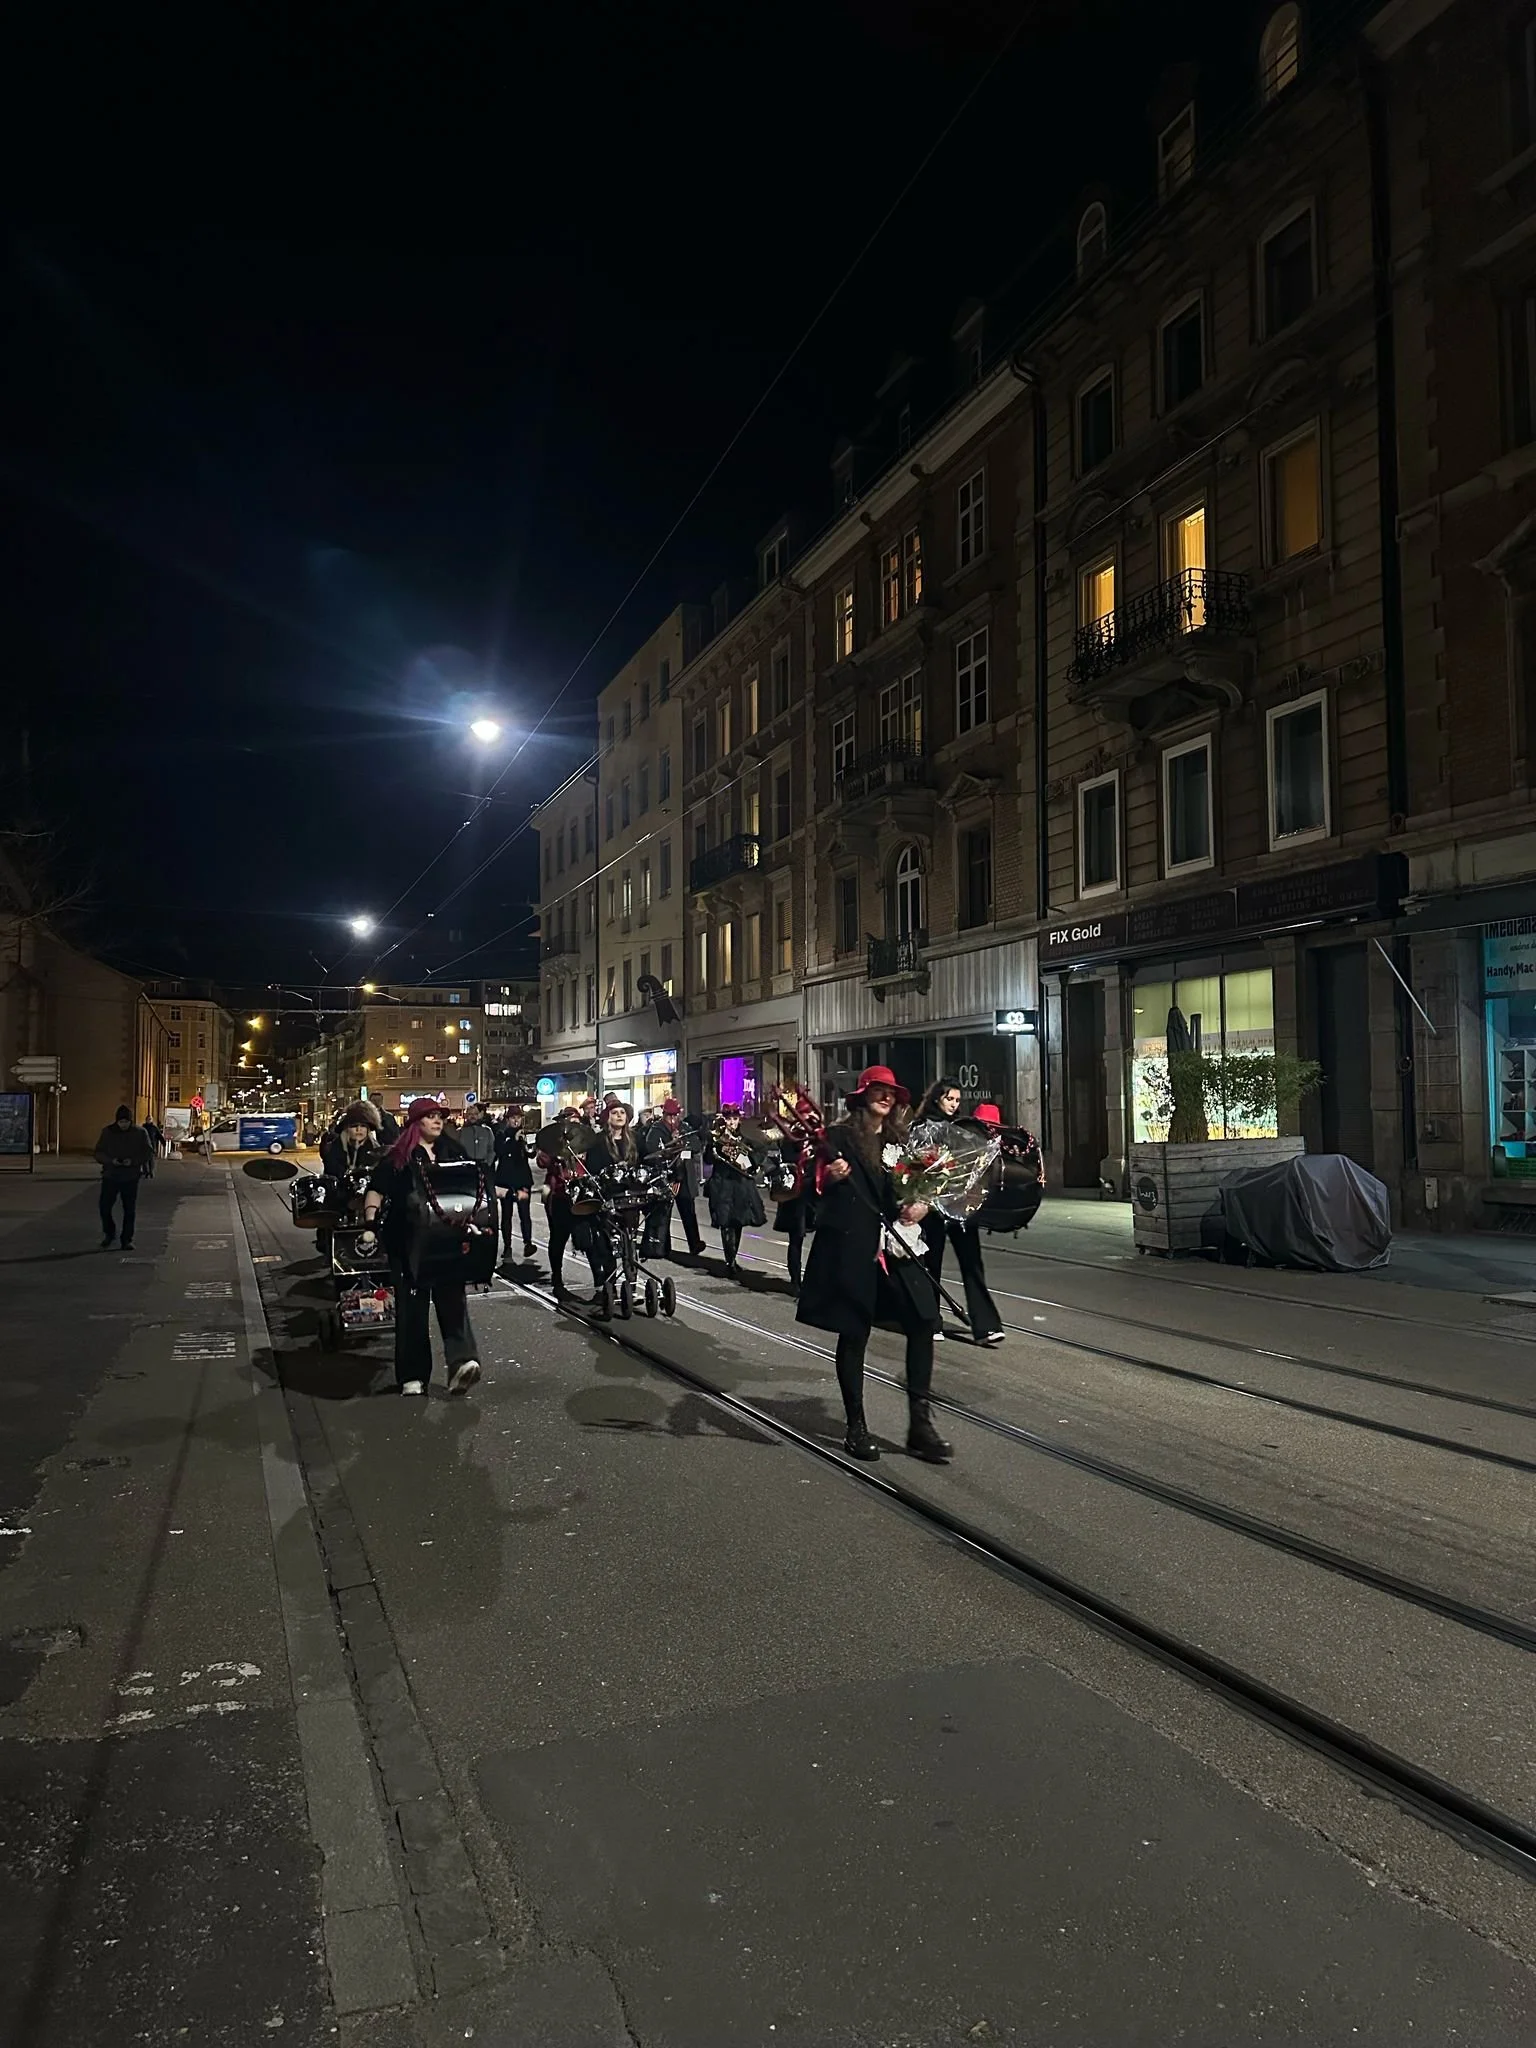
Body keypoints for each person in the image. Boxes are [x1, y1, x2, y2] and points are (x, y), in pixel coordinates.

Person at [796, 1066, 951, 1464]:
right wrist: (827, 1177)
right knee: (854, 1331)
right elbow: (806, 1192)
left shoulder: (902, 1139)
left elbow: (914, 1188)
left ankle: (920, 1424)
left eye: (891, 1092)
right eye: (878, 1090)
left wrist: (922, 1204)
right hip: (852, 1246)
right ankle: (856, 1426)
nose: (886, 1097)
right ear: (863, 1096)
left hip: (897, 1244)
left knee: (923, 1319)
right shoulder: (839, 1136)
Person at [358, 1098, 482, 1398]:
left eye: (440, 1117)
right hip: (408, 1243)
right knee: (411, 1309)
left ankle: (462, 1363)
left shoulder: (453, 1152)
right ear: (416, 1123)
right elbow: (376, 1189)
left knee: (453, 1302)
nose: (438, 1122)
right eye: (430, 1117)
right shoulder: (398, 1158)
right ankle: (413, 1374)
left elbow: (471, 1186)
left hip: (447, 1241)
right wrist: (370, 1223)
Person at [913, 1078, 1005, 1347]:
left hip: (961, 1205)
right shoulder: (923, 1127)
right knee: (932, 1263)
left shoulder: (961, 1128)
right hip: (933, 1207)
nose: (953, 1104)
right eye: (949, 1099)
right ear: (936, 1099)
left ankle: (986, 1325)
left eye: (956, 1100)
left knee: (972, 1263)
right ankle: (931, 1321)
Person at [537, 1105, 600, 1300]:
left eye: (574, 1120)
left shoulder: (586, 1140)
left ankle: (599, 1284)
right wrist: (552, 1153)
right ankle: (557, 1280)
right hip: (560, 1194)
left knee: (588, 1240)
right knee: (559, 1237)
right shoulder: (555, 1141)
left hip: (581, 1194)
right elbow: (542, 1162)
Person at [640, 1097, 705, 1261]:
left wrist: (684, 1142)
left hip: (684, 1176)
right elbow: (651, 1149)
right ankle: (663, 1246)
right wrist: (671, 1145)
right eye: (670, 1115)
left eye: (675, 1115)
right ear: (664, 1114)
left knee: (688, 1211)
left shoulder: (684, 1127)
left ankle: (694, 1243)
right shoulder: (656, 1129)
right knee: (664, 1212)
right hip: (667, 1177)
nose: (673, 1119)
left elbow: (696, 1145)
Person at [703, 1105, 765, 1275]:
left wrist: (753, 1163)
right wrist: (711, 1143)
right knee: (726, 1224)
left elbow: (760, 1151)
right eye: (729, 1119)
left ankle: (732, 1257)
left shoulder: (744, 1140)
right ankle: (730, 1261)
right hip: (723, 1185)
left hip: (739, 1186)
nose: (732, 1122)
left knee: (737, 1223)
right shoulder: (716, 1138)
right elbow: (708, 1160)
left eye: (735, 1119)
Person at [770, 1093, 820, 1295]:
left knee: (820, 1239)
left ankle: (815, 1279)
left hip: (815, 1194)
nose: (806, 1120)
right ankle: (795, 1282)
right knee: (796, 1239)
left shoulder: (816, 1135)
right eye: (804, 1116)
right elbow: (788, 1162)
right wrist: (803, 1151)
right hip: (796, 1195)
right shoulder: (790, 1139)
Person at [95, 1106, 153, 1250]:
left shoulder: (139, 1133)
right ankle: (109, 1233)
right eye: (121, 1122)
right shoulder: (108, 1132)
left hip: (130, 1176)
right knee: (104, 1207)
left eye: (126, 1121)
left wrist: (133, 1162)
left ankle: (126, 1239)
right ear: (117, 1121)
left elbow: (148, 1152)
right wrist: (111, 1161)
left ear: (130, 1121)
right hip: (111, 1175)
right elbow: (98, 1152)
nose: (123, 1124)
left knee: (129, 1209)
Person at [494, 1107, 536, 1261]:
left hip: (522, 1179)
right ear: (507, 1119)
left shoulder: (523, 1134)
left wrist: (529, 1146)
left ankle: (528, 1242)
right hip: (505, 1180)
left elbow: (531, 1153)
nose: (516, 1120)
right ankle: (507, 1247)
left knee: (525, 1213)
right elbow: (500, 1151)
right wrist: (513, 1140)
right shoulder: (501, 1134)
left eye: (518, 1118)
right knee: (506, 1215)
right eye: (513, 1118)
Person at [321, 1101, 386, 1182]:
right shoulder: (333, 1149)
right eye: (354, 1126)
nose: (359, 1129)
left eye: (363, 1126)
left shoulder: (376, 1151)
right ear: (346, 1128)